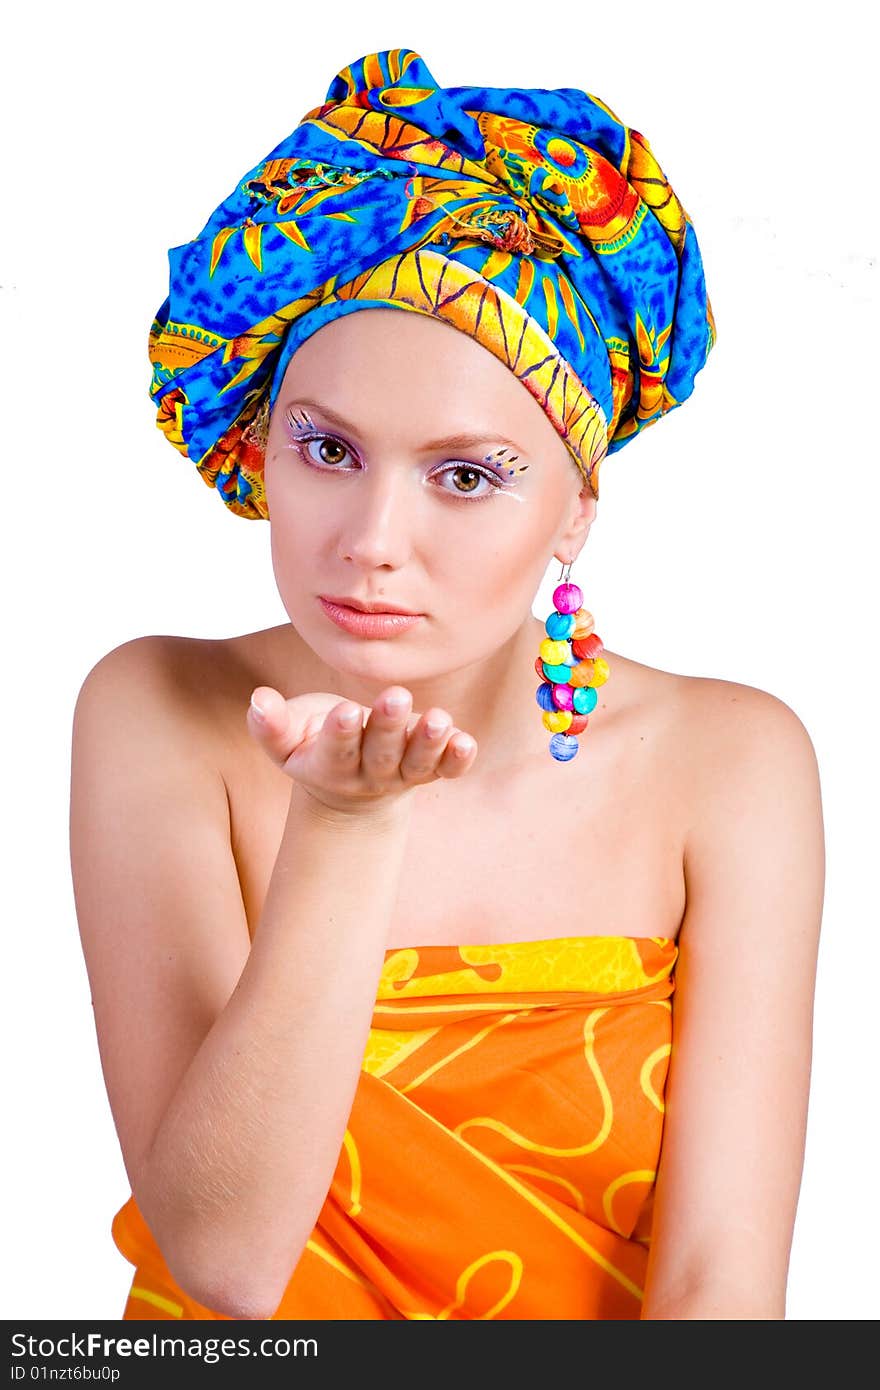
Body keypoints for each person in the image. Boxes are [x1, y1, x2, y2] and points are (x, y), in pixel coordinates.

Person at [69, 48, 825, 1321]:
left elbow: (719, 1292)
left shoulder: (732, 763)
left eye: (466, 474)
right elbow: (229, 1264)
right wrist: (345, 824)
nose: (371, 535)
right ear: (260, 441)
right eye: (327, 448)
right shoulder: (157, 713)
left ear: (575, 509)